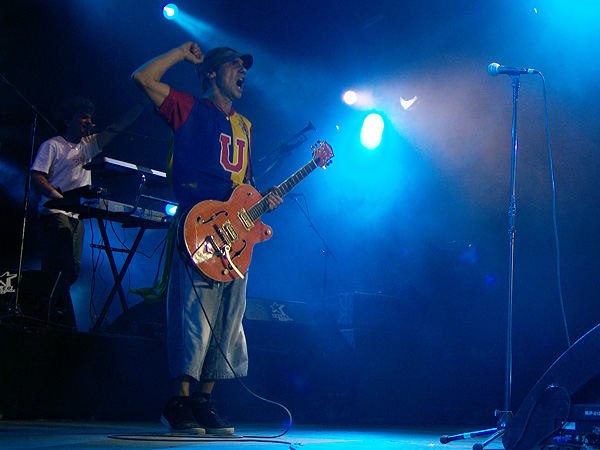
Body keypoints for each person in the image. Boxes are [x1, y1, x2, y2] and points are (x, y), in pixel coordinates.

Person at [132, 42, 282, 435]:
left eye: (243, 66)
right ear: (213, 72)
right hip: (199, 224)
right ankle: (178, 402)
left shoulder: (246, 126)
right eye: (234, 65)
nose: (242, 71)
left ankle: (204, 401)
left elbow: (244, 186)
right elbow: (142, 78)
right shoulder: (188, 107)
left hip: (235, 235)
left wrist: (264, 203)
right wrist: (181, 53)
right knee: (192, 313)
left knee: (229, 317)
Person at [30, 96, 144, 328]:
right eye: (83, 117)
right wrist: (58, 197)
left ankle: (56, 316)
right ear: (67, 121)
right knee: (59, 267)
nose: (88, 121)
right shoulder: (53, 145)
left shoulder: (89, 145)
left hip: (76, 215)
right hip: (55, 212)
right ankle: (49, 317)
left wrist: (140, 104)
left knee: (72, 269)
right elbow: (36, 175)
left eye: (90, 117)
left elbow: (117, 128)